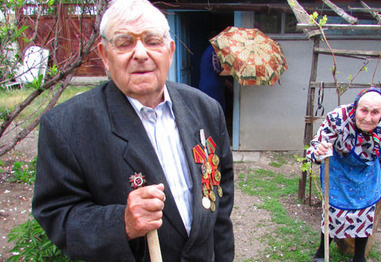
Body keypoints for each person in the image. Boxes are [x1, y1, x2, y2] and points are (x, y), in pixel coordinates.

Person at [32, 0, 234, 261]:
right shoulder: (66, 126)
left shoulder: (206, 109)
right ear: (104, 54)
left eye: (152, 41)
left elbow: (220, 196)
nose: (140, 54)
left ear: (170, 51)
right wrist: (121, 223)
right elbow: (56, 214)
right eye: (125, 42)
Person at [306, 88, 381, 262]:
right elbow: (316, 147)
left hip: (365, 173)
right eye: (364, 111)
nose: (368, 118)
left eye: (375, 112)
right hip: (339, 170)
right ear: (355, 107)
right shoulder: (337, 118)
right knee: (333, 213)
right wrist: (320, 151)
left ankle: (359, 257)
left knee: (364, 213)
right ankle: (322, 253)